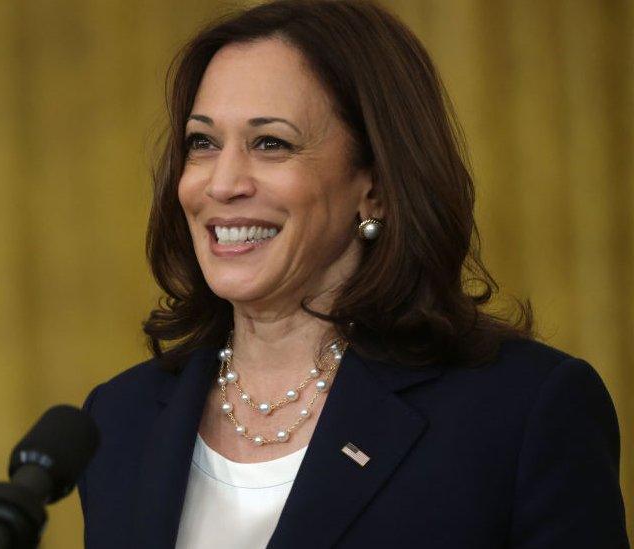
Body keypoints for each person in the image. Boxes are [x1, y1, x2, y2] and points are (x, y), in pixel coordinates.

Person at [78, 1, 628, 548]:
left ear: (376, 186)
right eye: (203, 143)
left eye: (271, 144)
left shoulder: (520, 411)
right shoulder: (118, 419)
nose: (222, 184)